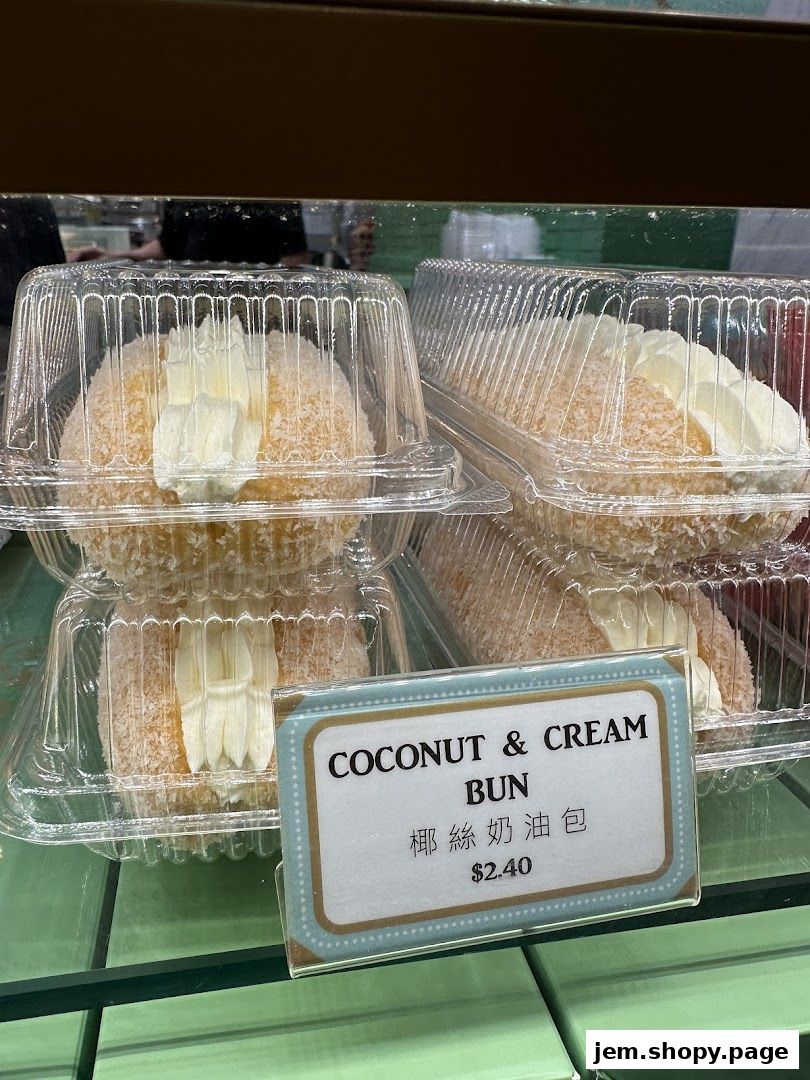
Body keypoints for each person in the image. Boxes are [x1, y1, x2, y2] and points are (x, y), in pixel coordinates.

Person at [72, 199, 310, 266]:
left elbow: (295, 257)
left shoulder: (272, 178)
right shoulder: (185, 184)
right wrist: (111, 255)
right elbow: (168, 245)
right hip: (193, 313)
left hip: (252, 318)